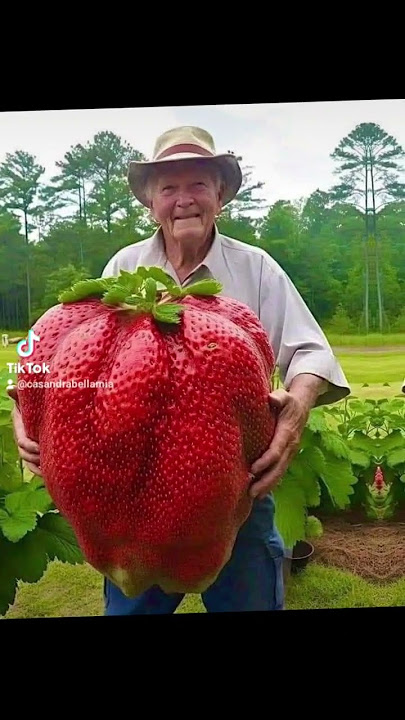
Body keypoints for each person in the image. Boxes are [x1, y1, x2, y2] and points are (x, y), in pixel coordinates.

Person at [8, 125, 351, 615]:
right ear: (151, 202)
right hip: (129, 497)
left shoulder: (256, 268)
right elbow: (51, 348)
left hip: (237, 490)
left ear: (219, 196)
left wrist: (296, 408)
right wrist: (27, 409)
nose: (184, 200)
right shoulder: (123, 268)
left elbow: (310, 352)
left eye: (198, 185)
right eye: (168, 188)